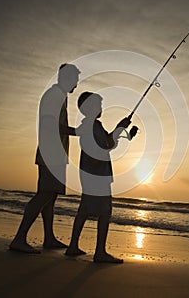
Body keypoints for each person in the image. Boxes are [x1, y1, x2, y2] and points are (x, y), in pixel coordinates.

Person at [10, 63, 80, 253]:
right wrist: (78, 131)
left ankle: (49, 238)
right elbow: (52, 125)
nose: (76, 85)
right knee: (45, 194)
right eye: (75, 80)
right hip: (51, 154)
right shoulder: (54, 96)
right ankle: (19, 238)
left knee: (51, 196)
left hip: (55, 154)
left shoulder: (60, 97)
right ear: (67, 78)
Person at [65, 92, 137, 263]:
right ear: (89, 107)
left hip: (93, 173)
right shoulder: (91, 126)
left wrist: (120, 128)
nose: (100, 108)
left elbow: (108, 143)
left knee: (84, 209)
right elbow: (104, 147)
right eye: (98, 105)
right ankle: (99, 252)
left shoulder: (93, 125)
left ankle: (73, 246)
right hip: (97, 174)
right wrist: (119, 129)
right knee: (105, 212)